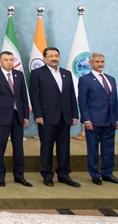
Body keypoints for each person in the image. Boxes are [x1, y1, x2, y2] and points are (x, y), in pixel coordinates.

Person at [29, 47, 80, 188]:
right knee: (47, 147)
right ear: (44, 58)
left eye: (56, 56)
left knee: (64, 147)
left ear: (60, 57)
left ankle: (64, 174)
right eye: (50, 56)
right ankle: (47, 175)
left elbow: (71, 96)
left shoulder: (66, 73)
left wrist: (74, 114)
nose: (54, 58)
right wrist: (38, 114)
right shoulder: (37, 73)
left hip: (65, 116)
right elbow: (34, 96)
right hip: (47, 116)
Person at [78, 52, 118, 185]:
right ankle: (95, 174)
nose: (100, 64)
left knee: (109, 148)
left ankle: (107, 173)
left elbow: (114, 101)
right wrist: (86, 120)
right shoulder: (85, 80)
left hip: (109, 120)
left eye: (102, 61)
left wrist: (116, 118)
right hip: (93, 121)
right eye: (97, 62)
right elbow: (82, 102)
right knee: (93, 149)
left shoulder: (111, 79)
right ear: (90, 63)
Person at [0, 51, 30, 187]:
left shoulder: (19, 75)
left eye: (11, 60)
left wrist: (26, 115)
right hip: (1, 117)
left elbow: (23, 97)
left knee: (19, 147)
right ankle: (0, 176)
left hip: (18, 116)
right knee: (0, 148)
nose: (9, 62)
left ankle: (19, 175)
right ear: (0, 62)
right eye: (6, 60)